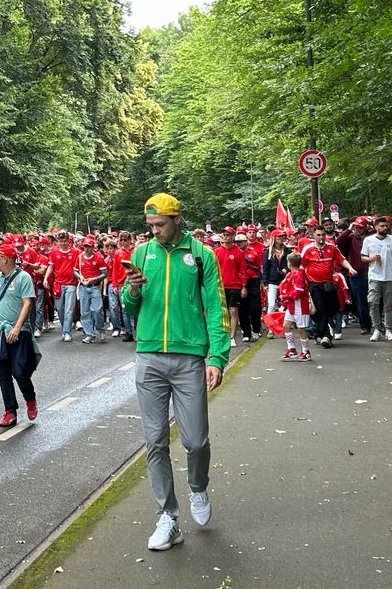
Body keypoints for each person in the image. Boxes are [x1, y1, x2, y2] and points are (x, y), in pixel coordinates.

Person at [123, 193, 230, 552]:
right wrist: (132, 290)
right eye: (150, 226)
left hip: (188, 359)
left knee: (196, 440)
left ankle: (198, 487)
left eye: (160, 225)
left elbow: (216, 307)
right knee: (154, 442)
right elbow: (130, 305)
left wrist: (217, 357)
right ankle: (167, 517)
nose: (154, 231)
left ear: (177, 219)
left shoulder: (200, 256)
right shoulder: (141, 253)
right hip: (149, 356)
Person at [0, 244, 40, 427]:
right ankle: (10, 411)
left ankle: (30, 398)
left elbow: (27, 303)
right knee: (4, 373)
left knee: (20, 371)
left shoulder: (23, 277)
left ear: (6, 258)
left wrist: (17, 327)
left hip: (18, 332)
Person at [299, 227, 356, 349]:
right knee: (320, 309)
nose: (321, 238)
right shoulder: (307, 249)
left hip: (329, 283)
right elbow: (302, 267)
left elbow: (341, 260)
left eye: (323, 235)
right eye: (318, 235)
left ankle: (318, 333)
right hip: (314, 284)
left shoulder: (331, 247)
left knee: (331, 309)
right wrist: (302, 282)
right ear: (313, 235)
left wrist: (350, 268)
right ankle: (326, 336)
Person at [361, 216, 392, 341]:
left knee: (389, 304)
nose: (385, 228)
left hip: (390, 276)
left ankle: (388, 329)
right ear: (375, 227)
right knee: (373, 303)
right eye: (382, 226)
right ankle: (376, 328)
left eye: (386, 226)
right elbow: (363, 257)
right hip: (374, 276)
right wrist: (371, 258)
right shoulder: (368, 240)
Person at [336, 217, 373, 335]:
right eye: (356, 227)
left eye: (360, 228)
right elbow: (339, 242)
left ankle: (376, 322)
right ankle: (365, 325)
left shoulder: (371, 238)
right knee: (360, 300)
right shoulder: (351, 237)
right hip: (356, 273)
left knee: (374, 300)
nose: (357, 230)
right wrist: (348, 229)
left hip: (371, 272)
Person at [45, 232, 80, 342]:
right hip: (58, 284)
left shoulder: (76, 252)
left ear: (69, 241)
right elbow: (51, 266)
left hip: (71, 284)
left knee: (69, 309)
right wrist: (46, 278)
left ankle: (66, 332)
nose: (63, 243)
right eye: (61, 241)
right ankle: (65, 328)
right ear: (57, 242)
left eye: (65, 241)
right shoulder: (54, 252)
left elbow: (80, 267)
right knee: (60, 309)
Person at [213, 229, 246, 346]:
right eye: (224, 234)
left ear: (233, 236)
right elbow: (213, 270)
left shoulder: (239, 252)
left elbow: (243, 270)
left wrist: (244, 286)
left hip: (234, 286)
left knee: (233, 311)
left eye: (228, 235)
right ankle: (222, 335)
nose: (226, 237)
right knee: (221, 312)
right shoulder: (216, 251)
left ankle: (232, 337)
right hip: (220, 286)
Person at [278, 253, 312, 361]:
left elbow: (299, 291)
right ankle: (291, 348)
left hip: (300, 305)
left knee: (301, 329)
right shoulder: (291, 274)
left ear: (289, 263)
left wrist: (285, 296)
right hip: (292, 305)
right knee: (286, 325)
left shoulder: (298, 274)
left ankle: (306, 351)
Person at [76, 236, 107, 343]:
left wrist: (93, 279)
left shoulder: (99, 258)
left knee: (97, 309)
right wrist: (80, 278)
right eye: (85, 246)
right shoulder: (80, 257)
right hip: (84, 287)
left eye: (89, 247)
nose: (87, 249)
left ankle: (101, 328)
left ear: (93, 247)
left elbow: (104, 274)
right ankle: (89, 334)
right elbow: (75, 270)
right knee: (84, 312)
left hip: (95, 287)